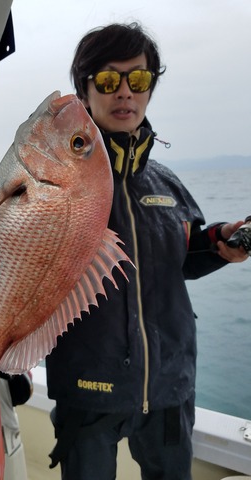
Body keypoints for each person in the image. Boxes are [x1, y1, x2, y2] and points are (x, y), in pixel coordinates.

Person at [45, 22, 249, 480]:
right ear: (84, 89)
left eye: (137, 80)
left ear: (151, 88)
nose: (124, 93)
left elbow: (181, 254)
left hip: (168, 385)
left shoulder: (164, 181)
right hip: (87, 387)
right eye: (108, 80)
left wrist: (217, 243)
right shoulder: (58, 184)